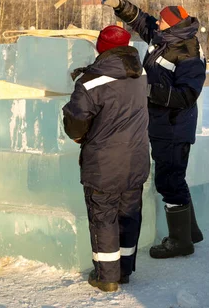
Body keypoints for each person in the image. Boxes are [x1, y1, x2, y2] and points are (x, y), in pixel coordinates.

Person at [90, 0, 206, 259]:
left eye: (163, 22)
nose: (159, 25)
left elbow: (187, 95)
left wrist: (146, 89)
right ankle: (191, 231)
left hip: (175, 126)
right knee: (174, 177)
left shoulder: (187, 53)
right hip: (163, 124)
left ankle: (180, 241)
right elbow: (143, 21)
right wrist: (117, 5)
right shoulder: (168, 38)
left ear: (173, 25)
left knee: (169, 180)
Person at [62, 25, 150, 292]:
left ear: (101, 48)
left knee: (103, 217)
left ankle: (107, 276)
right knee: (129, 215)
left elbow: (76, 121)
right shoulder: (141, 72)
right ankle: (123, 270)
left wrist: (78, 136)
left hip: (104, 163)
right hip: (136, 158)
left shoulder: (91, 82)